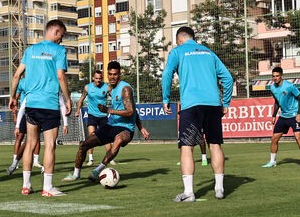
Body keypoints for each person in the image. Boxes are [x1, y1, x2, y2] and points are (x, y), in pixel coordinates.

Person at [162, 26, 233, 202]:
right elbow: (228, 78)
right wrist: (225, 103)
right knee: (215, 145)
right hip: (213, 104)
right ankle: (219, 189)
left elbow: (167, 74)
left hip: (191, 105)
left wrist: (165, 98)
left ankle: (189, 193)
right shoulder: (209, 52)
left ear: (179, 40)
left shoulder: (177, 51)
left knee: (187, 147)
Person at [8, 19, 72, 197]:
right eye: (62, 36)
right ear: (56, 32)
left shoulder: (30, 50)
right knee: (50, 145)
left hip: (31, 105)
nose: (61, 40)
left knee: (30, 144)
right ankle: (48, 187)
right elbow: (60, 76)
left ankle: (26, 186)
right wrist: (67, 99)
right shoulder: (59, 50)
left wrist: (12, 97)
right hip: (49, 104)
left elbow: (16, 75)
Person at [64, 61, 149, 182]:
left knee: (118, 140)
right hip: (111, 124)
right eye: (110, 74)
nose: (112, 77)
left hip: (126, 128)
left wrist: (110, 110)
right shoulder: (112, 89)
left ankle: (97, 171)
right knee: (84, 145)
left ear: (120, 74)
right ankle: (76, 174)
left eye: (115, 74)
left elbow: (130, 111)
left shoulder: (125, 89)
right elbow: (133, 110)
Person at [263, 66, 300, 168]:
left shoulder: (289, 86)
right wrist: (273, 116)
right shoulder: (272, 88)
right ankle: (272, 161)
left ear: (281, 76)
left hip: (294, 116)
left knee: (298, 137)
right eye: (273, 76)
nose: (275, 78)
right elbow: (277, 101)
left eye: (277, 76)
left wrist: (299, 114)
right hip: (283, 116)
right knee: (274, 138)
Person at [6, 80, 42, 175]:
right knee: (20, 138)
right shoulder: (22, 83)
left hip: (38, 112)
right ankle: (15, 162)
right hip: (25, 112)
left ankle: (36, 161)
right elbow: (15, 101)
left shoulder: (40, 80)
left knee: (36, 139)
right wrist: (15, 116)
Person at [75, 69, 108, 166]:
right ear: (93, 78)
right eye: (96, 78)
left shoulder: (106, 87)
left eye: (100, 78)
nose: (98, 80)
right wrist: (77, 110)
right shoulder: (87, 87)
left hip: (103, 116)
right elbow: (81, 99)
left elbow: (115, 97)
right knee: (91, 137)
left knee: (106, 137)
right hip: (92, 115)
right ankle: (90, 159)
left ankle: (110, 158)